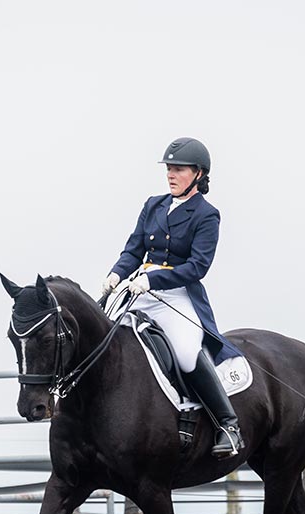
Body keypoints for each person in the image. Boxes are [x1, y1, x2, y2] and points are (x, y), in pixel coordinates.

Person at [101, 136, 244, 457]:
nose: (170, 175)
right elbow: (134, 249)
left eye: (178, 169)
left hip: (177, 294)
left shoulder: (206, 215)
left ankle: (227, 424)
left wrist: (154, 278)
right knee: (106, 341)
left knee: (185, 351)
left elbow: (197, 266)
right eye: (169, 169)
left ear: (198, 174)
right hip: (138, 288)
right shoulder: (153, 204)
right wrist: (116, 274)